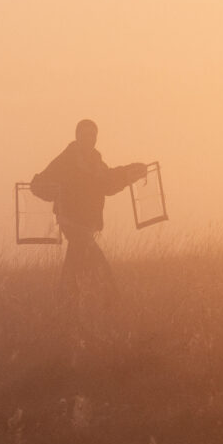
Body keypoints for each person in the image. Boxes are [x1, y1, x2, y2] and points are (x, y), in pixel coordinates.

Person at [32, 119, 147, 305]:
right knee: (99, 265)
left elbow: (108, 183)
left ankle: (61, 305)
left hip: (87, 225)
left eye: (93, 135)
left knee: (73, 267)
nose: (90, 139)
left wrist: (130, 172)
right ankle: (113, 303)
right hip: (71, 224)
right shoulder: (65, 161)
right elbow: (39, 183)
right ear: (77, 136)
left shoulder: (96, 162)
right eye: (86, 135)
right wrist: (46, 189)